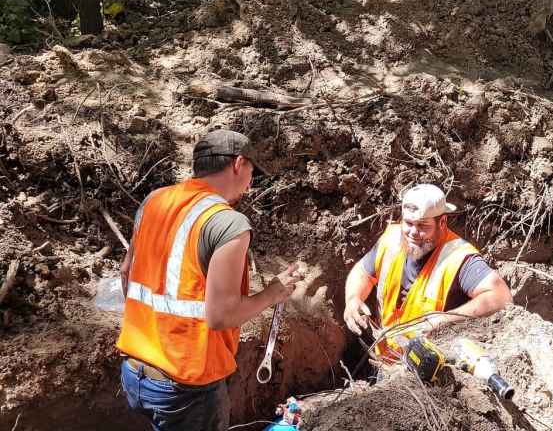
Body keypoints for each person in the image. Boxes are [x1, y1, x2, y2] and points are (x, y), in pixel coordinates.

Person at [116, 129, 304, 430]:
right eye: (251, 172)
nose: (250, 182)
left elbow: (127, 274)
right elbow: (221, 316)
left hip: (136, 372)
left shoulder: (154, 201)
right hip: (185, 386)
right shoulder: (227, 222)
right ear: (238, 164)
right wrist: (273, 293)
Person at [343, 183, 512, 356]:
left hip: (426, 369)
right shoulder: (392, 239)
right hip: (386, 360)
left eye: (423, 225)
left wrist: (444, 320)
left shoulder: (458, 257)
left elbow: (500, 296)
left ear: (442, 222)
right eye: (408, 223)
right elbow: (362, 272)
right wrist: (353, 298)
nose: (413, 232)